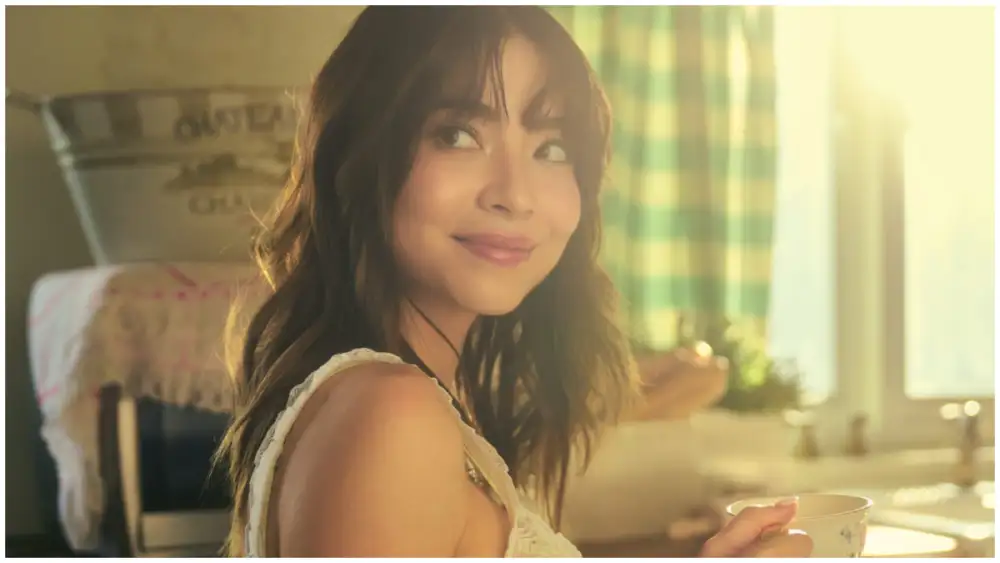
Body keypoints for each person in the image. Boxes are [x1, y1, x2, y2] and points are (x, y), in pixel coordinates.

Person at [217, 6, 813, 558]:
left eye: (551, 147)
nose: (515, 195)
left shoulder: (407, 402)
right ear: (360, 149)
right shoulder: (391, 416)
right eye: (457, 135)